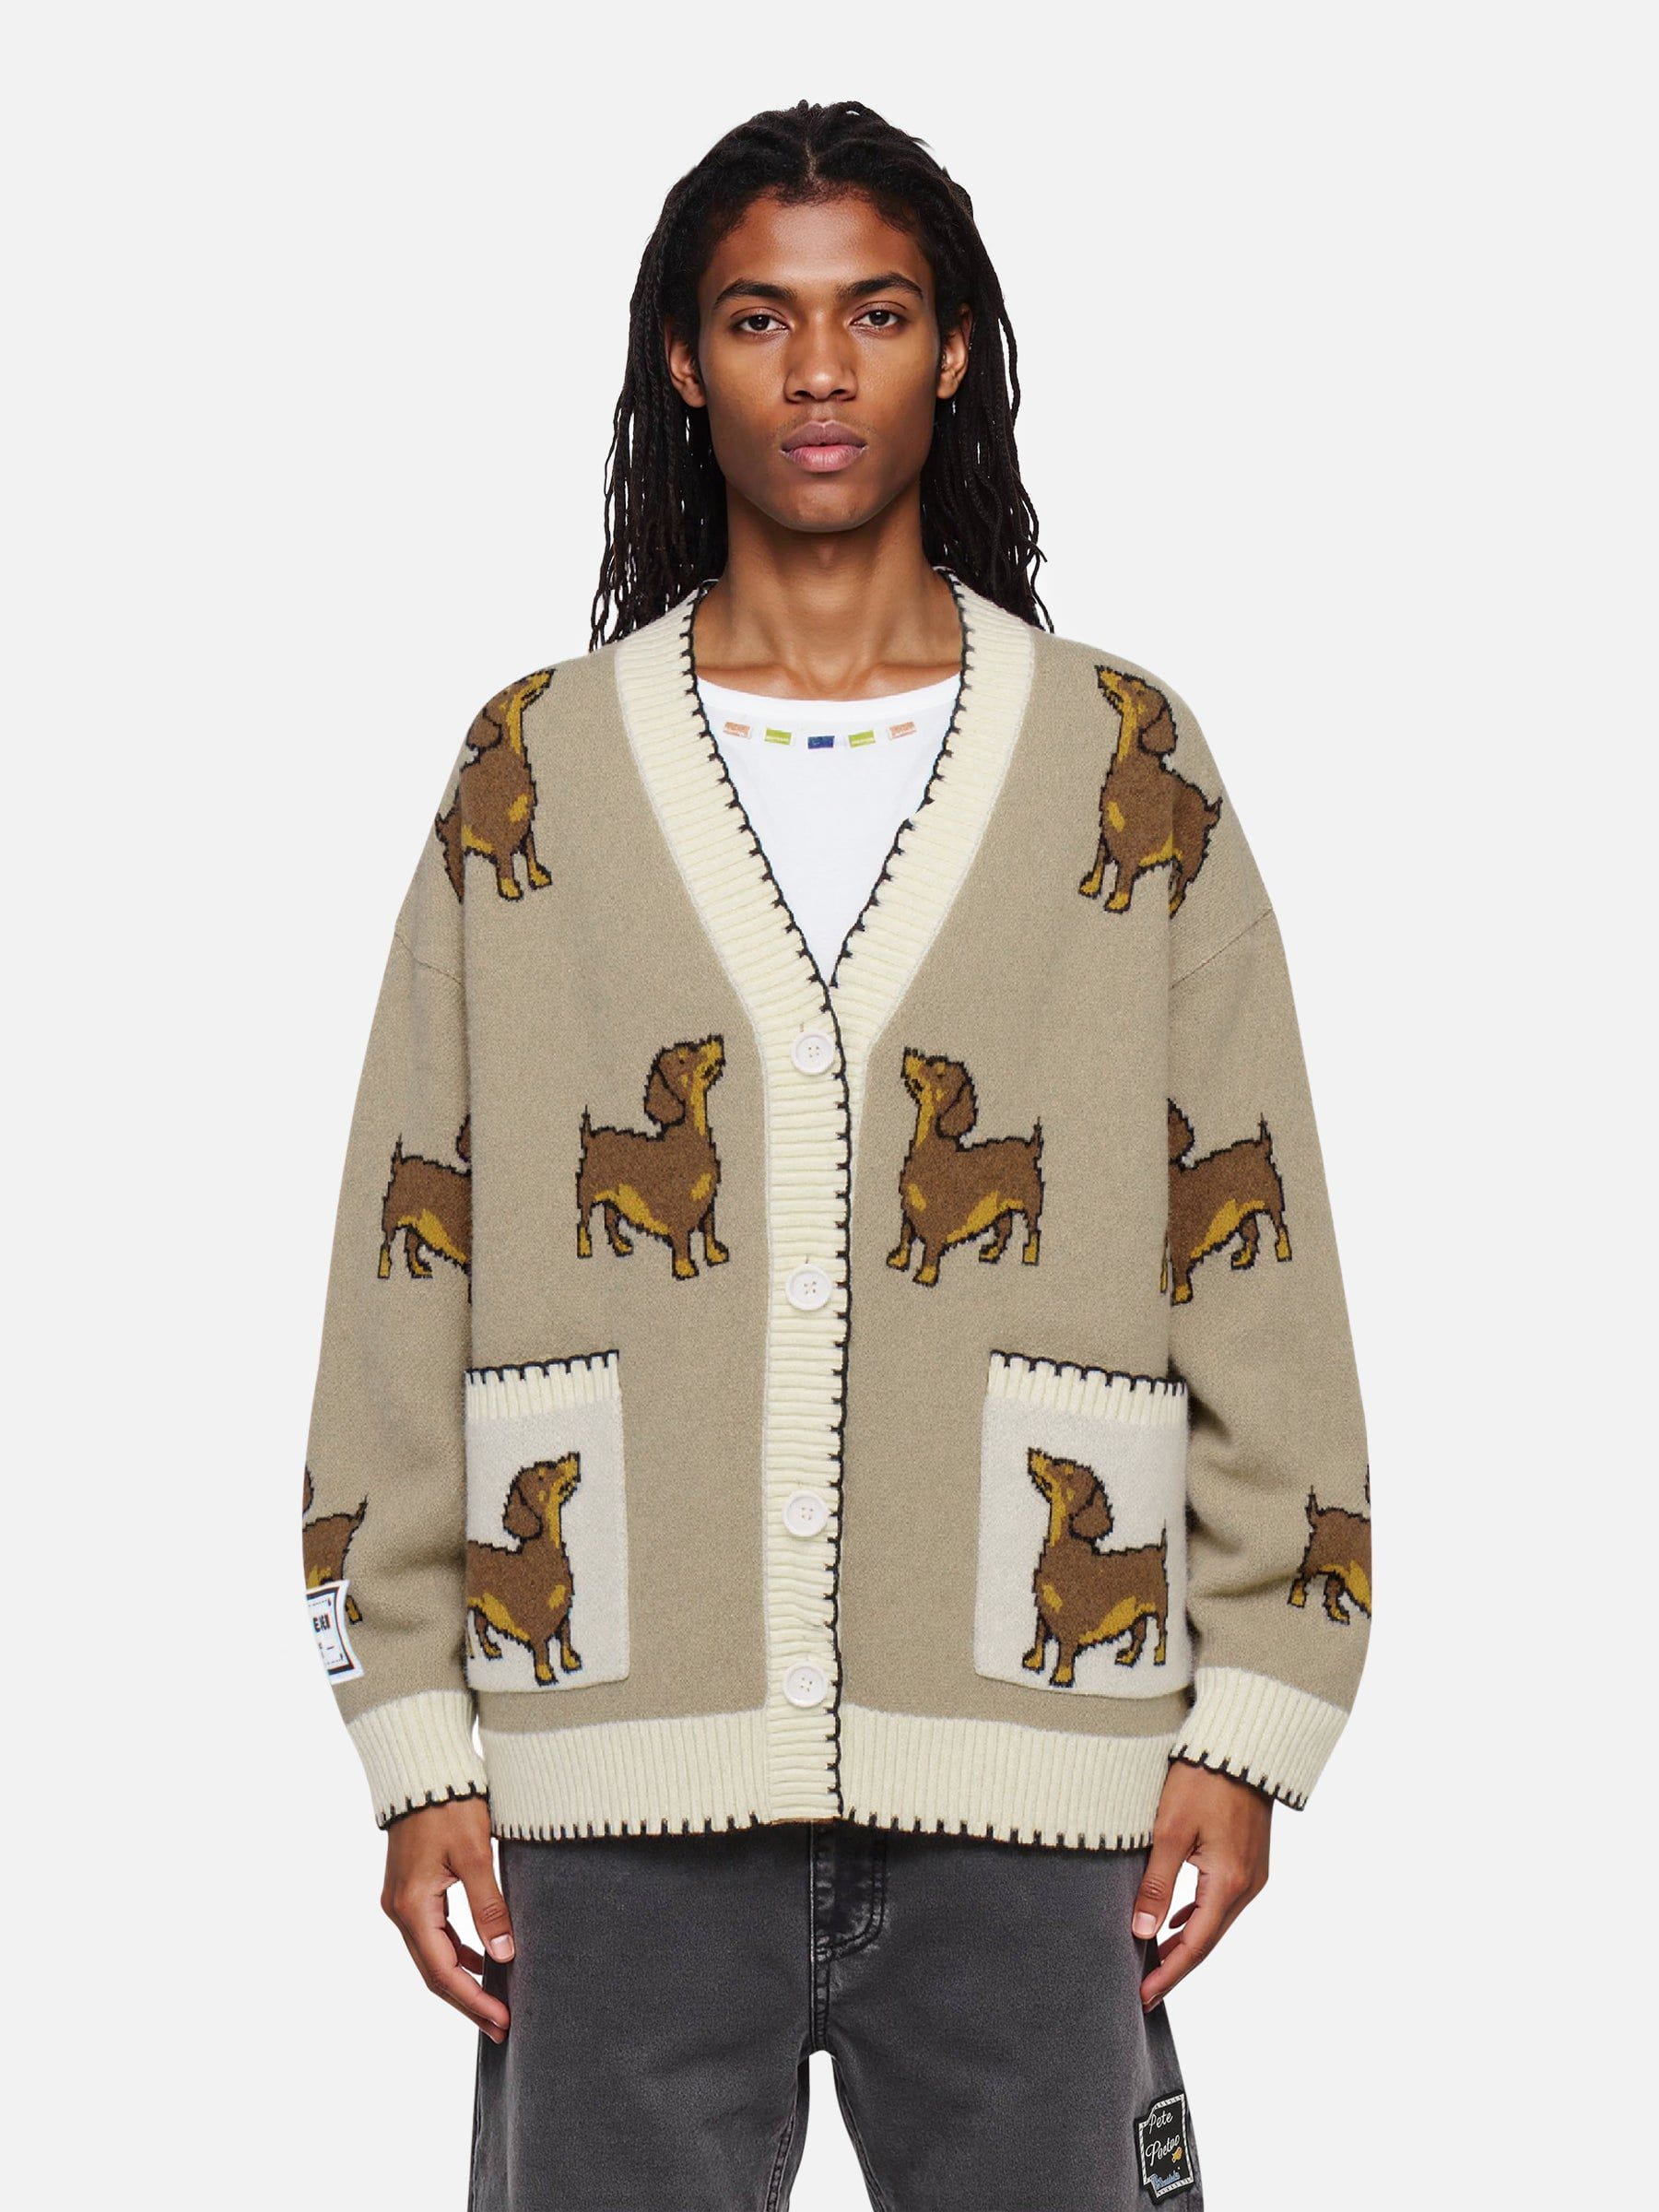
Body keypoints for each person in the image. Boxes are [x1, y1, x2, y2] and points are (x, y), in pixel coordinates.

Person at [300, 98, 1373, 2212]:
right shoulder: (535, 764)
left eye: (874, 313)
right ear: (681, 361)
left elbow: (1250, 1246)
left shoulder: (1122, 757)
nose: (817, 370)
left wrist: (1255, 1718)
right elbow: (404, 1265)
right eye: (758, 318)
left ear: (954, 349)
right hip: (611, 1771)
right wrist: (413, 1747)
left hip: (1037, 1768)